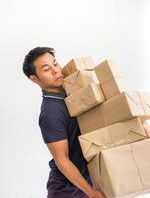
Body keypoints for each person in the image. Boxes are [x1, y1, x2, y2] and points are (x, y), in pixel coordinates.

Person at [22, 47, 106, 198]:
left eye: (55, 64)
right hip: (68, 190)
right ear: (34, 79)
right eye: (47, 69)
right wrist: (91, 193)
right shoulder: (51, 112)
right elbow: (62, 160)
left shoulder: (74, 91)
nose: (56, 71)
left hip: (93, 180)